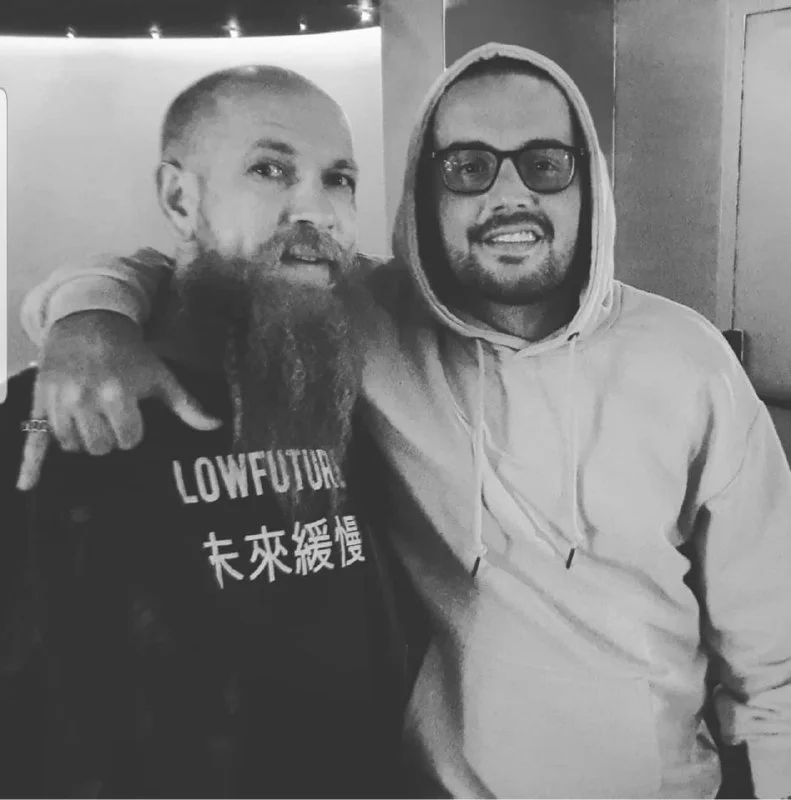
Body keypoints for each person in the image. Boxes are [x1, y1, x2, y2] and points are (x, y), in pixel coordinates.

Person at [15, 43, 791, 798]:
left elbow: (775, 652)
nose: (509, 195)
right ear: (426, 190)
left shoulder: (686, 361)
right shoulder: (373, 323)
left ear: (586, 183)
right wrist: (91, 314)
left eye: (544, 163)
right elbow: (230, 264)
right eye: (468, 167)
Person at [1, 65, 410, 799]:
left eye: (339, 179)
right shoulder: (66, 405)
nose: (316, 210)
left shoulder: (351, 377)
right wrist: (88, 316)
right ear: (179, 199)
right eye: (269, 169)